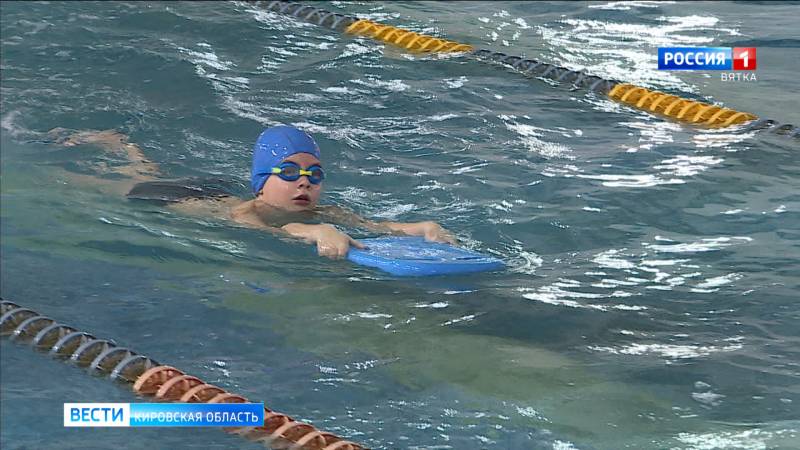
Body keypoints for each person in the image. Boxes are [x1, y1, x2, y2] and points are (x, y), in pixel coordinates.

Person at [48, 125, 456, 259]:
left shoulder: (324, 212)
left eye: (314, 174)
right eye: (290, 172)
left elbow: (378, 226)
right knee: (111, 183)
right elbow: (271, 230)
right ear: (262, 182)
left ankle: (124, 147)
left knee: (148, 168)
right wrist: (312, 232)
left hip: (213, 189)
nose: (304, 182)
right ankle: (117, 146)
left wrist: (421, 227)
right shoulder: (249, 212)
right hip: (166, 197)